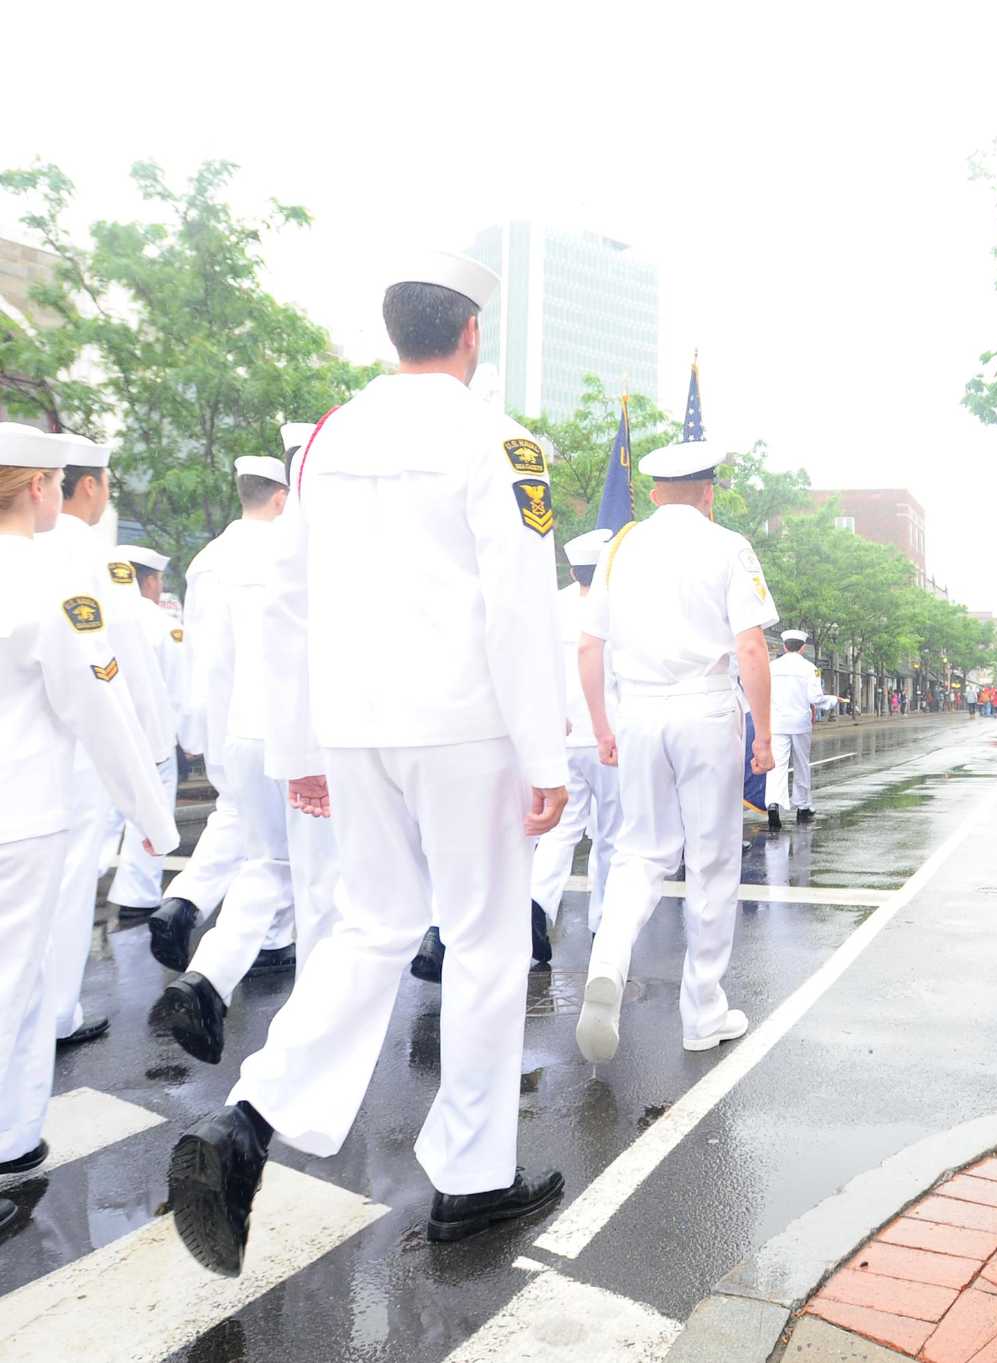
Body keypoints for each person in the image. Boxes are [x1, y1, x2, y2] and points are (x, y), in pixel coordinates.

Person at [166, 252, 570, 1274]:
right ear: (471, 332)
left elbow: (291, 597)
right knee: (482, 940)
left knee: (370, 925)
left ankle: (250, 1119)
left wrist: (302, 743)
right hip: (464, 723)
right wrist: (543, 750)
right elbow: (518, 608)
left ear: (396, 333)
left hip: (353, 725)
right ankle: (472, 1182)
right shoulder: (500, 438)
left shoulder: (334, 436)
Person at [1, 423, 179, 1237]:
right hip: (24, 811)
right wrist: (152, 816)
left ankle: (14, 1135)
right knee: (14, 979)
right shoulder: (40, 582)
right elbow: (96, 705)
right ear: (40, 486)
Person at [573, 442, 776, 1064]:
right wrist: (764, 735)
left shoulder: (619, 548)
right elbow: (749, 649)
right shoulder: (728, 546)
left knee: (641, 850)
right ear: (707, 491)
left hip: (636, 711)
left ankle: (608, 957)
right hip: (705, 709)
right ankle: (703, 1011)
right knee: (711, 861)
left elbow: (589, 647)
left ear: (657, 491)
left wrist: (603, 725)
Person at [150, 445, 338, 1065]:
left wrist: (216, 749)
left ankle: (206, 977)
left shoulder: (213, 560)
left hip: (244, 730)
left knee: (266, 867)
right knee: (318, 887)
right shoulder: (319, 545)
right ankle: (314, 1035)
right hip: (308, 735)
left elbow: (212, 663)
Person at [39, 429, 180, 1049]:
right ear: (89, 485)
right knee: (68, 884)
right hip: (75, 748)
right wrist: (153, 742)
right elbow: (126, 662)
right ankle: (57, 1013)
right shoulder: (99, 559)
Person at [148, 447, 302, 975]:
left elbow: (205, 654)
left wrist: (199, 725)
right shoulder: (291, 550)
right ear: (281, 497)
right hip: (283, 719)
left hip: (230, 716)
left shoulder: (209, 559)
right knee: (283, 845)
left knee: (241, 819)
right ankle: (272, 939)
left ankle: (186, 899)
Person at [529, 527, 623, 949]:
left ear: (570, 568)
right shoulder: (617, 607)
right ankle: (602, 919)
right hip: (609, 736)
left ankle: (536, 902)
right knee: (610, 833)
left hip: (560, 737)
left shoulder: (549, 606)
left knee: (559, 830)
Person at [103, 544, 192, 920]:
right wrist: (189, 742)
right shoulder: (163, 624)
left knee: (102, 815)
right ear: (150, 580)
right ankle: (136, 897)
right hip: (151, 738)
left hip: (104, 733)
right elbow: (179, 690)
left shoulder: (98, 616)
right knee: (150, 817)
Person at [766, 629, 823, 832]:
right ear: (803, 647)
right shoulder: (810, 668)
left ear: (784, 646)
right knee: (801, 764)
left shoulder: (771, 667)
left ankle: (773, 804)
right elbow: (815, 698)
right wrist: (832, 700)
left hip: (777, 723)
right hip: (800, 724)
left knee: (777, 766)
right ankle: (803, 807)